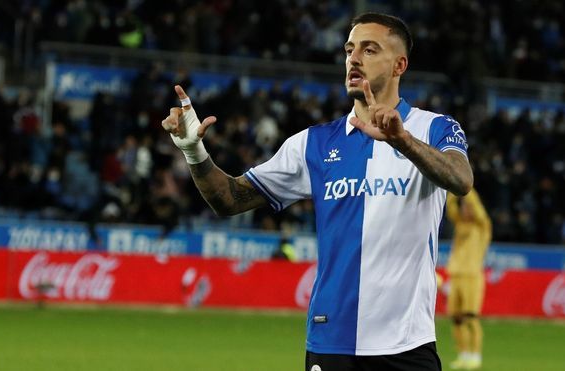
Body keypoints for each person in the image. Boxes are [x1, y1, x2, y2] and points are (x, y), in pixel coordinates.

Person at [161, 12, 473, 371]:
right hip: (331, 343)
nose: (354, 59)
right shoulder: (312, 144)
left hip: (407, 345)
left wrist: (402, 141)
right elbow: (229, 199)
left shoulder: (434, 128)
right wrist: (193, 151)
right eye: (350, 49)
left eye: (369, 50)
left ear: (400, 64)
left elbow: (461, 179)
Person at [445, 190, 491, 370]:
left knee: (471, 318)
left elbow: (478, 209)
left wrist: (467, 190)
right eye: (464, 207)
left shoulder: (482, 226)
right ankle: (463, 354)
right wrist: (452, 190)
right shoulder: (460, 225)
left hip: (472, 276)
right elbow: (450, 207)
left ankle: (475, 355)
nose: (466, 210)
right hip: (456, 275)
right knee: (456, 319)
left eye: (469, 207)